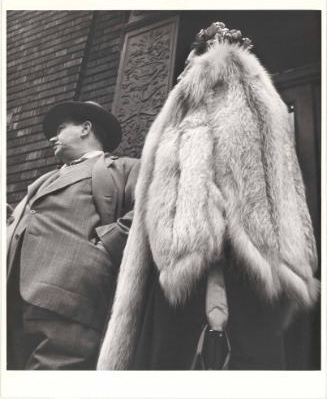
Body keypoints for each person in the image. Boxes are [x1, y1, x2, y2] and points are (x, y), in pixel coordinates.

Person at [97, 22, 320, 370]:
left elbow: (236, 193)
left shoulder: (229, 98)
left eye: (190, 61)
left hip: (213, 269)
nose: (184, 69)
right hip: (190, 267)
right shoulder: (198, 108)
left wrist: (199, 245)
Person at [7, 100, 139, 370]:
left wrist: (102, 250)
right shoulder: (44, 179)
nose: (52, 138)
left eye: (60, 128)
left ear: (85, 128)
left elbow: (150, 208)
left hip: (71, 296)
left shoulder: (125, 168)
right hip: (14, 295)